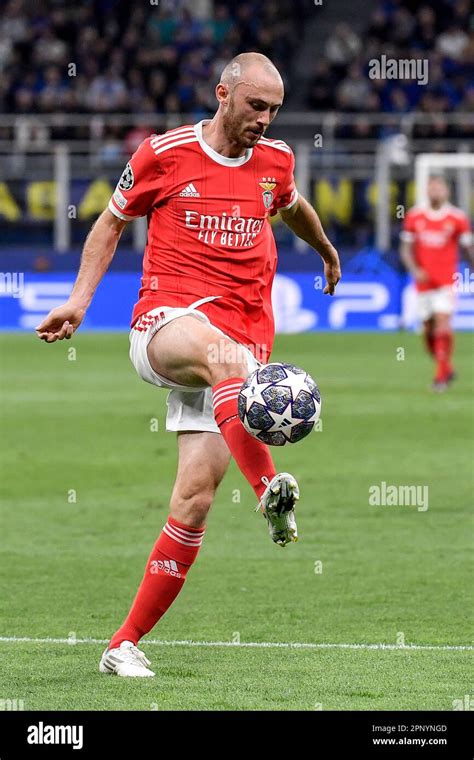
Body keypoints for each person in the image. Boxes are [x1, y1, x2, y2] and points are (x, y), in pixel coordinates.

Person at [36, 52, 341, 677]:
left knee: (194, 500)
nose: (264, 119)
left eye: (274, 110)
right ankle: (270, 492)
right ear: (222, 94)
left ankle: (122, 644)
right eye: (255, 106)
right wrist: (78, 301)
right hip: (167, 324)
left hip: (241, 347)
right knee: (220, 354)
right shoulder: (164, 154)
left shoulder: (275, 162)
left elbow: (291, 204)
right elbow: (110, 223)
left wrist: (327, 249)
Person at [400, 175, 472, 391]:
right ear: (426, 191)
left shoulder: (457, 218)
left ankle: (440, 378)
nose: (435, 192)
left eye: (439, 188)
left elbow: (468, 249)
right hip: (423, 284)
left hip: (446, 282)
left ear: (447, 191)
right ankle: (446, 367)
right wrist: (414, 269)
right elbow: (404, 249)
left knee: (442, 324)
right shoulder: (415, 216)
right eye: (432, 188)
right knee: (427, 331)